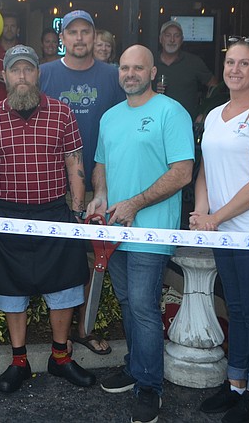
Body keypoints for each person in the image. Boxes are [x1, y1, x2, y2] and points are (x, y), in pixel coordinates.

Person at [0, 45, 95, 393]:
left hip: (55, 213)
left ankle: (60, 358)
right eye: (16, 71)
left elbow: (75, 162)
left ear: (38, 75)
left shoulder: (62, 113)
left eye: (29, 70)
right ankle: (19, 362)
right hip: (7, 215)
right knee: (11, 291)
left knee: (64, 287)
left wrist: (76, 210)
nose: (23, 76)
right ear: (5, 76)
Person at [90, 45, 194, 423]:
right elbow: (101, 163)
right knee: (128, 303)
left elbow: (182, 172)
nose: (130, 74)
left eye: (138, 68)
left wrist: (134, 203)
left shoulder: (171, 112)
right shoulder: (110, 117)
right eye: (124, 68)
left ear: (153, 73)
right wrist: (100, 196)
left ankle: (150, 386)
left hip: (151, 232)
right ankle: (135, 367)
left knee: (144, 306)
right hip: (115, 230)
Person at [189, 35, 249, 423]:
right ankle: (235, 385)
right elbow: (205, 173)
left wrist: (217, 216)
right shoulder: (215, 116)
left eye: (245, 63)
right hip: (222, 231)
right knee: (236, 307)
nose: (235, 69)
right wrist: (201, 212)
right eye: (231, 62)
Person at [40, 9, 124, 355]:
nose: (78, 38)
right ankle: (57, 334)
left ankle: (83, 328)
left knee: (94, 263)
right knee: (57, 259)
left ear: (94, 37)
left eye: (85, 32)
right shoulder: (43, 73)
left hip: (99, 186)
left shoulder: (115, 76)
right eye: (72, 32)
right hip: (51, 186)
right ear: (62, 37)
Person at [155, 20, 218, 119]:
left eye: (176, 36)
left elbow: (214, 85)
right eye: (168, 35)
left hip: (186, 122)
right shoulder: (150, 62)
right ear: (160, 39)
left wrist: (204, 111)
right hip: (155, 121)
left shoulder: (193, 62)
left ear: (182, 40)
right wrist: (153, 89)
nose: (172, 40)